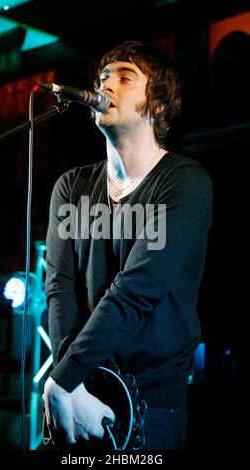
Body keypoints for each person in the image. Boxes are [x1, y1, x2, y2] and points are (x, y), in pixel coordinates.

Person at [43, 40, 213, 450]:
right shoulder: (71, 187)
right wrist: (72, 383)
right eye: (103, 77)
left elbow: (137, 289)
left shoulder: (184, 181)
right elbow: (59, 286)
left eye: (125, 77)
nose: (107, 85)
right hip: (81, 387)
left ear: (156, 104)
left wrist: (64, 379)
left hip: (152, 403)